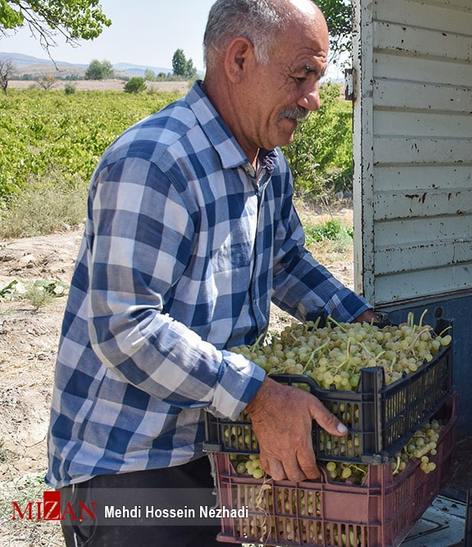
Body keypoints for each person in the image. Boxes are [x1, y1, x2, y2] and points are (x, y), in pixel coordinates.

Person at [46, 0, 375, 544]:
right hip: (131, 466)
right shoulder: (156, 162)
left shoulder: (267, 163)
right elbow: (126, 328)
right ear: (239, 58)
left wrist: (360, 320)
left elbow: (283, 261)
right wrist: (258, 396)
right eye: (301, 76)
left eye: (317, 79)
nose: (313, 100)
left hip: (214, 442)